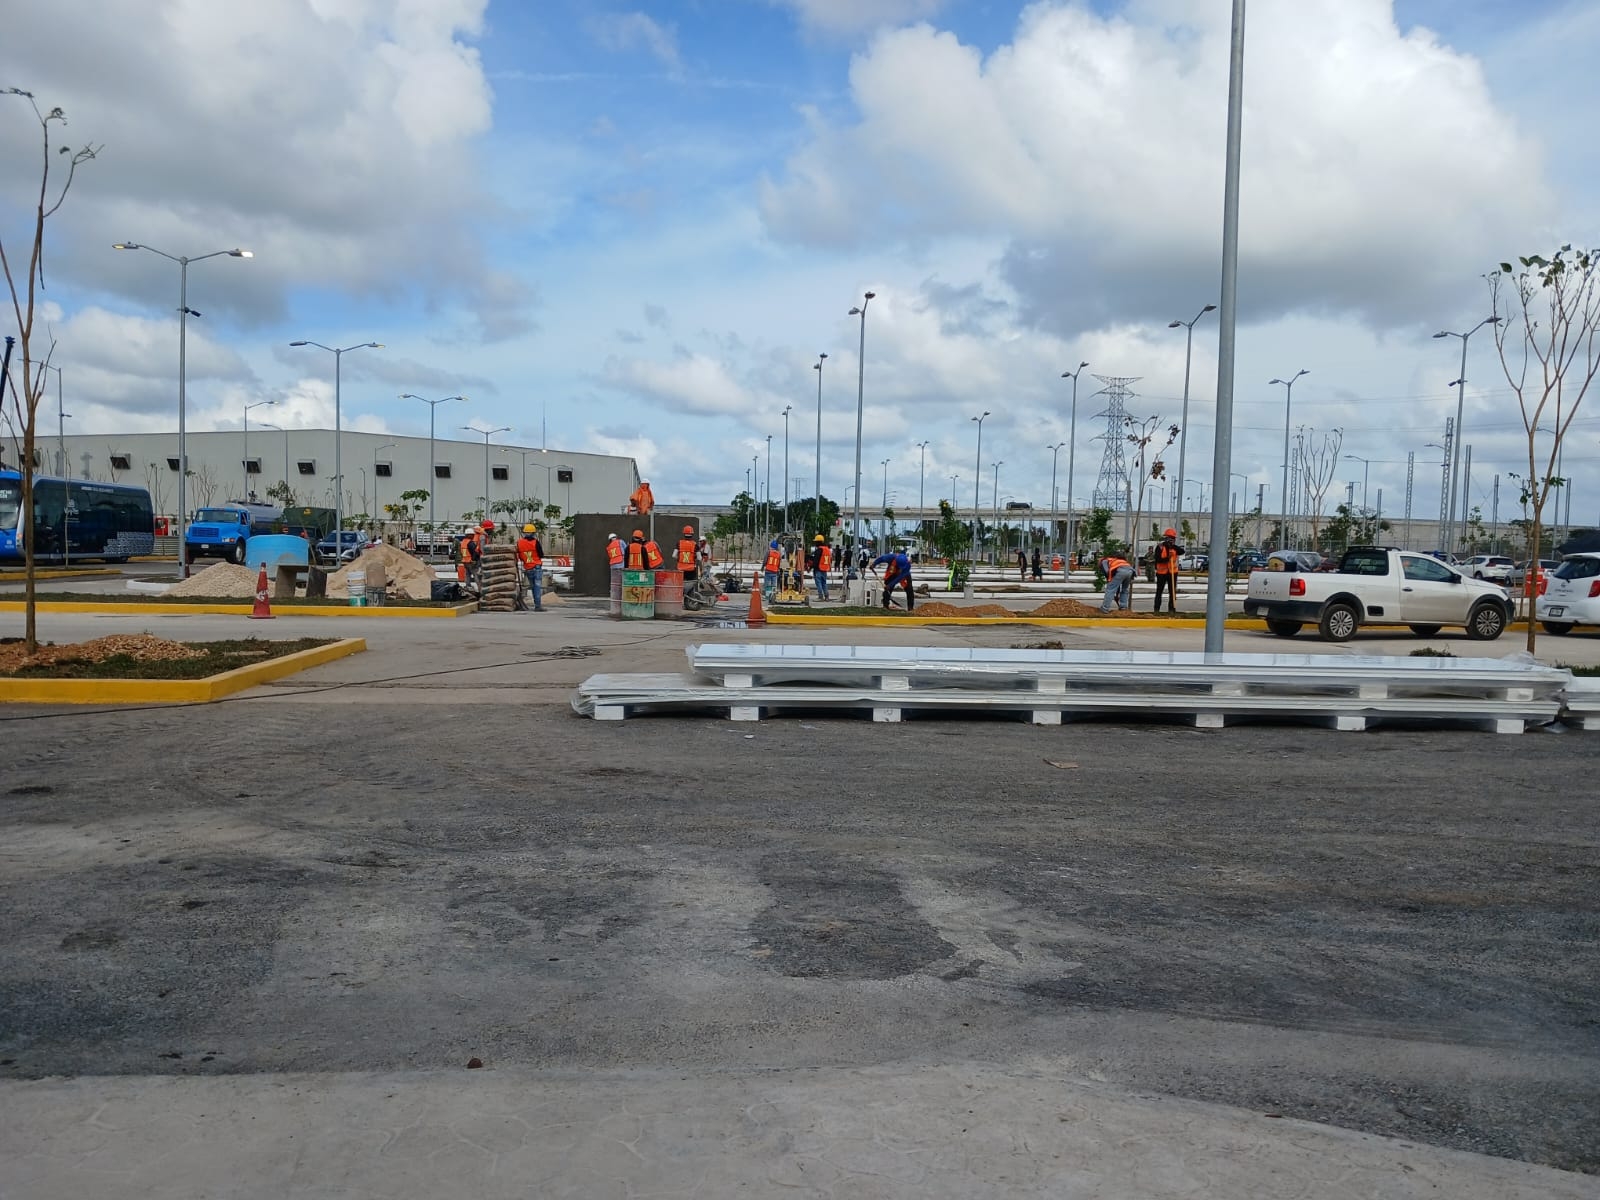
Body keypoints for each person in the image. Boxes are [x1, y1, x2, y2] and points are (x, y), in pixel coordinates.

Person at [516, 523, 545, 612]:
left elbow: (520, 556)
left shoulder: (519, 542)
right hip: (536, 567)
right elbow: (541, 555)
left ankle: (537, 605)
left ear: (524, 533)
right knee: (537, 587)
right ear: (533, 533)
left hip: (528, 568)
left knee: (533, 587)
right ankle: (538, 606)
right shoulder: (536, 542)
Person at [1152, 528, 1182, 614]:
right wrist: (1167, 558)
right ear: (1166, 538)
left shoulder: (1175, 548)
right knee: (1159, 591)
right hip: (1161, 573)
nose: (1172, 540)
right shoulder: (1160, 547)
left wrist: (1173, 546)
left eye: (1173, 538)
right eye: (1170, 538)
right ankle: (1156, 609)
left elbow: (1182, 551)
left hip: (1172, 572)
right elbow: (1158, 559)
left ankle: (1172, 609)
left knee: (1172, 591)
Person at [807, 535, 833, 602]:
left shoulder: (819, 550)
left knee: (818, 583)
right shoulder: (827, 549)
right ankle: (826, 596)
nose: (815, 543)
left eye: (816, 542)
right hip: (825, 569)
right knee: (824, 583)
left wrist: (810, 567)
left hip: (818, 569)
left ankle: (820, 596)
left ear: (818, 542)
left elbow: (816, 561)